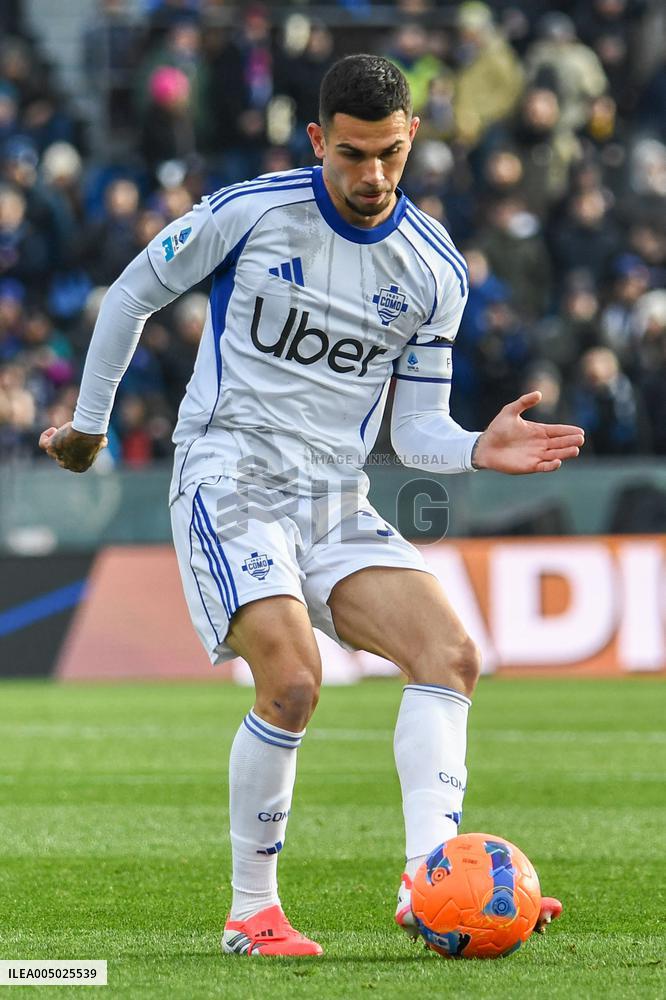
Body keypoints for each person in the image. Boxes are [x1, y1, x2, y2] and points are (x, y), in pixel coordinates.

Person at [39, 55, 581, 957]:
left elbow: (417, 434)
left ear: (413, 143)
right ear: (319, 140)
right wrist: (90, 426)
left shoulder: (436, 270)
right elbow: (133, 291)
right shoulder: (250, 214)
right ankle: (252, 912)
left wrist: (475, 450)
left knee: (450, 654)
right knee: (292, 681)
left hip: (333, 491)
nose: (374, 177)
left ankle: (428, 881)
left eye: (393, 156)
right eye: (355, 155)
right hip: (229, 471)